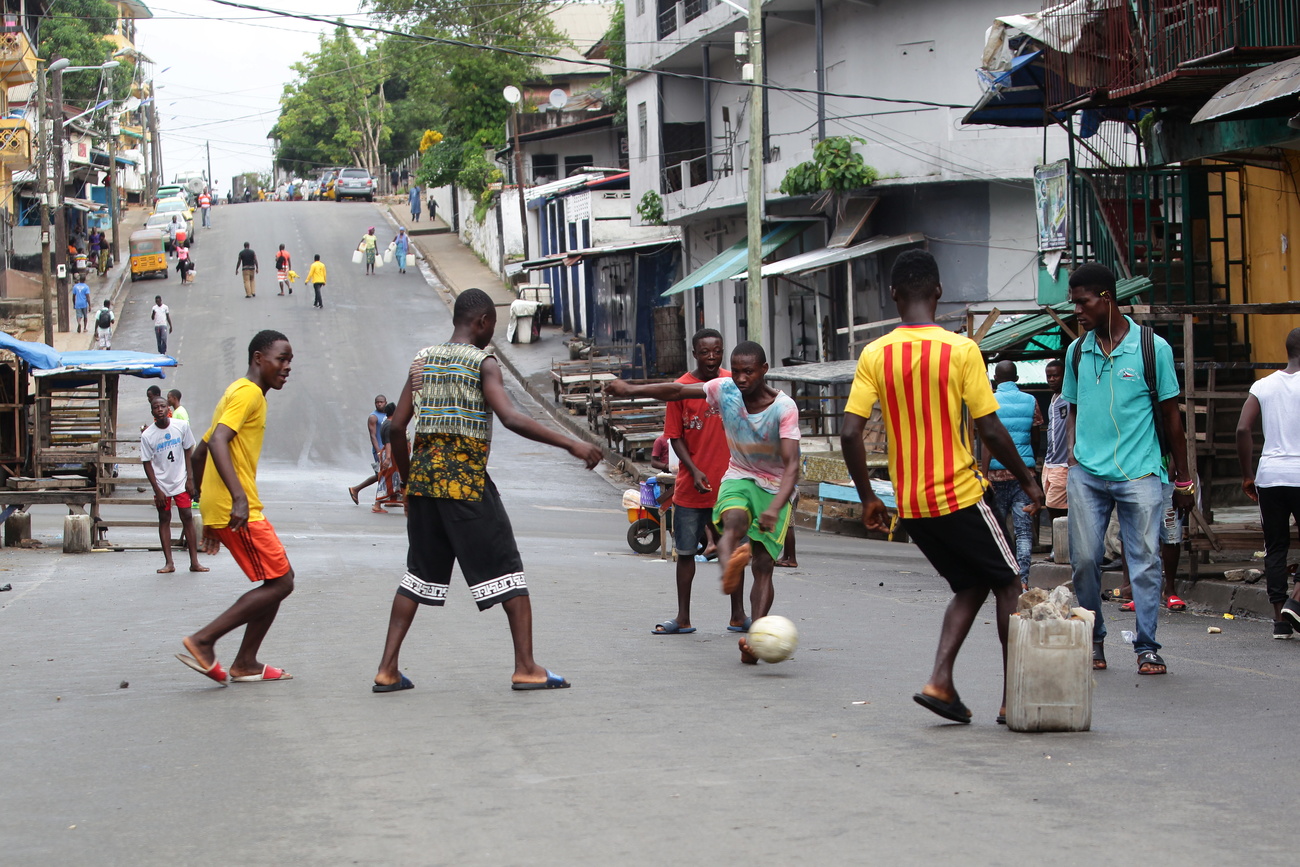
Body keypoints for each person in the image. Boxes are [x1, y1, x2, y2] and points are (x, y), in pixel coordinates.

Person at [840, 249, 1043, 725]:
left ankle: (940, 681)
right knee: (1010, 582)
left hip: (911, 503)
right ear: (938, 292)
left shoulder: (875, 353)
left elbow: (850, 432)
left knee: (972, 584)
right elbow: (991, 429)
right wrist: (1029, 480)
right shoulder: (961, 349)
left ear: (893, 295)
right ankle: (1015, 695)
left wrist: (870, 496)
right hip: (960, 493)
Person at [372, 288, 602, 693]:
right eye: (492, 324)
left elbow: (395, 428)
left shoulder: (421, 360)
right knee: (509, 571)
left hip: (425, 487)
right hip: (466, 485)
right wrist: (571, 443)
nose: (492, 332)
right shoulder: (484, 362)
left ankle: (387, 669)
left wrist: (409, 484)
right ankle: (526, 667)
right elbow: (511, 417)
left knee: (418, 575)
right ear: (481, 322)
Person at [607, 341, 799, 664]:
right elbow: (678, 392)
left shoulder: (784, 408)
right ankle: (728, 555)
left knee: (764, 565)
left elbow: (792, 465)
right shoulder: (723, 388)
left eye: (748, 372)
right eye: (736, 371)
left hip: (775, 485)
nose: (740, 378)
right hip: (738, 475)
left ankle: (755, 639)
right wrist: (630, 388)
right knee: (734, 522)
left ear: (764, 371)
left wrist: (775, 506)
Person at [1063, 262, 1193, 676]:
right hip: (1087, 473)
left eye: (1082, 303)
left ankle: (1147, 646)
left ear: (1106, 298)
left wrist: (1183, 478)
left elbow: (1172, 417)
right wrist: (1071, 455)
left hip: (1140, 473)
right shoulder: (1076, 352)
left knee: (1145, 561)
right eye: (1074, 304)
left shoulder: (1154, 349)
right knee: (1084, 560)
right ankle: (1094, 636)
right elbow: (1073, 408)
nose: (1077, 312)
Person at [178, 330, 297, 685]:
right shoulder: (248, 394)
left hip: (225, 503)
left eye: (290, 360)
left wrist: (207, 508)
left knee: (278, 579)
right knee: (281, 582)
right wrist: (237, 499)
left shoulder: (237, 391)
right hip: (238, 503)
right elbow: (216, 441)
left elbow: (200, 452)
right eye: (281, 358)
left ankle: (245, 662)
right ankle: (204, 641)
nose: (287, 367)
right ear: (259, 358)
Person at [650, 328, 737, 635]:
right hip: (690, 484)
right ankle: (683, 617)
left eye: (717, 351)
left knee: (734, 552)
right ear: (694, 353)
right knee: (685, 554)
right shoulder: (680, 389)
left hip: (730, 483)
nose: (712, 358)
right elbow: (674, 437)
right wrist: (694, 469)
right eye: (705, 352)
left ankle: (738, 615)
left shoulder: (732, 382)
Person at [1236, 328, 1300, 639]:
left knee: (1275, 547)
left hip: (1271, 476)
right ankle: (1296, 601)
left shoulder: (1264, 385)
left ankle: (1280, 621)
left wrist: (1248, 474)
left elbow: (1242, 430)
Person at [980, 360, 1043, 590]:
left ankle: (999, 577)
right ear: (1017, 379)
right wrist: (1030, 464)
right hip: (1023, 474)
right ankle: (1023, 579)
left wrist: (984, 474)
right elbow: (1036, 436)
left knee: (996, 528)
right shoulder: (1031, 401)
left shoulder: (990, 400)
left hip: (996, 476)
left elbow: (988, 441)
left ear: (996, 379)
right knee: (1023, 530)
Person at [141, 395, 207, 575]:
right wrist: (157, 489)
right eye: (156, 407)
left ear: (168, 409)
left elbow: (188, 450)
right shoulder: (148, 435)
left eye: (162, 406)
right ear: (152, 411)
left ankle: (194, 562)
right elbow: (146, 462)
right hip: (162, 483)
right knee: (164, 519)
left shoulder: (181, 427)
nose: (160, 410)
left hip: (181, 480)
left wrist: (190, 478)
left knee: (187, 516)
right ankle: (169, 562)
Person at [1042, 358, 1070, 529]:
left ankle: (1059, 546)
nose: (1051, 379)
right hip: (1049, 462)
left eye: (1055, 376)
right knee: (1051, 504)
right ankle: (1059, 544)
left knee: (1056, 506)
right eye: (1049, 376)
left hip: (1063, 463)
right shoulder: (1053, 399)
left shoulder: (1069, 398)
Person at [348, 394, 388, 504]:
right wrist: (379, 451)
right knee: (381, 474)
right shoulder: (373, 417)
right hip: (379, 449)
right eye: (377, 402)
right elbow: (373, 435)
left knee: (387, 473)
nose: (379, 404)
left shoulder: (386, 414)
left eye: (381, 402)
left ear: (386, 402)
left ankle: (390, 498)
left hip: (387, 448)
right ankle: (356, 489)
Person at [372, 402, 402, 513]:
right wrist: (388, 458)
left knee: (392, 478)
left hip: (389, 453)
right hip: (390, 454)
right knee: (387, 477)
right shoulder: (389, 425)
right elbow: (388, 442)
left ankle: (394, 500)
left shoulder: (386, 423)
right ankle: (377, 505)